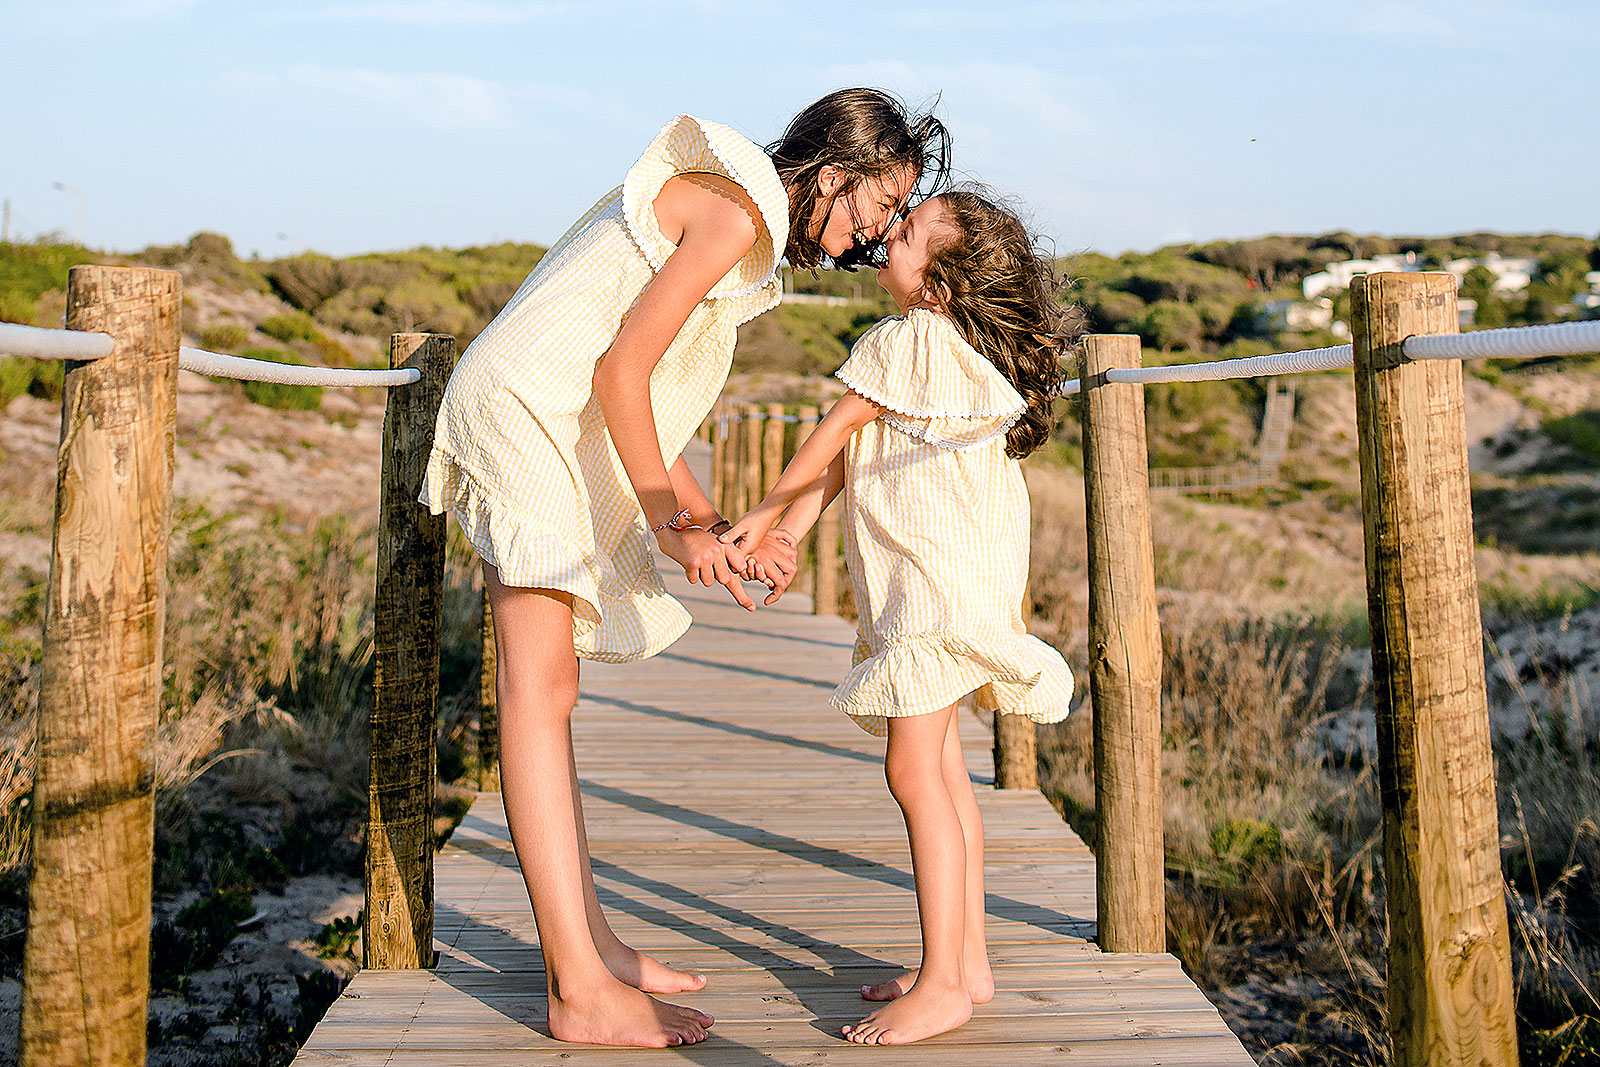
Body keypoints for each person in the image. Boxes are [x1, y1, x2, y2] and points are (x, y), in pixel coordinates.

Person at [418, 89, 949, 1048]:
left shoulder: (745, 222)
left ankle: (598, 950)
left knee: (556, 686)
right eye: (879, 202)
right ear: (834, 174)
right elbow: (621, 372)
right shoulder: (740, 210)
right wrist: (674, 527)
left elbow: (639, 388)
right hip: (521, 414)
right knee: (537, 690)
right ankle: (577, 987)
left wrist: (710, 522)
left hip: (549, 415)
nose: (877, 231)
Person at [720, 188, 1079, 1045]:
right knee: (947, 774)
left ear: (941, 283)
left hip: (928, 582)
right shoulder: (946, 351)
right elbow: (856, 451)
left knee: (915, 772)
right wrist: (800, 531)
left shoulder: (907, 338)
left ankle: (946, 982)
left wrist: (764, 517)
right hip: (960, 574)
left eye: (909, 234)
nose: (888, 235)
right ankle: (964, 960)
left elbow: (832, 428)